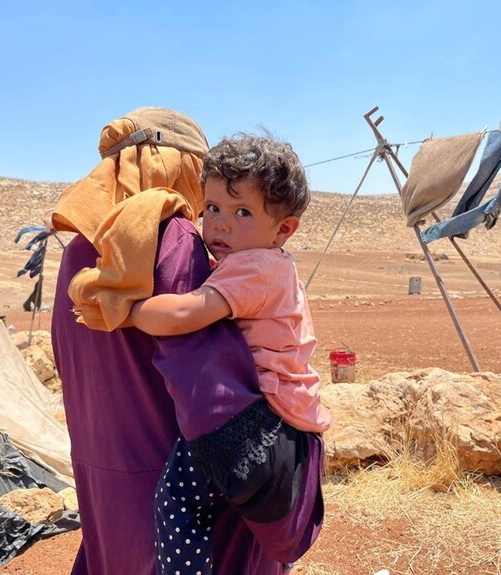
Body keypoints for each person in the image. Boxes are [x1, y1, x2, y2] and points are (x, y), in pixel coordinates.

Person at [51, 107, 324, 575]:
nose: (206, 211)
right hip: (175, 475)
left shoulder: (79, 248)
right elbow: (213, 385)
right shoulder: (166, 236)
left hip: (103, 478)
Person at [127, 133, 330, 574]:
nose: (219, 224)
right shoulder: (274, 265)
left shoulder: (253, 266)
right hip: (290, 420)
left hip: (262, 419)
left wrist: (126, 308)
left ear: (283, 229)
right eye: (212, 208)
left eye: (242, 212)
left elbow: (184, 312)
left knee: (178, 497)